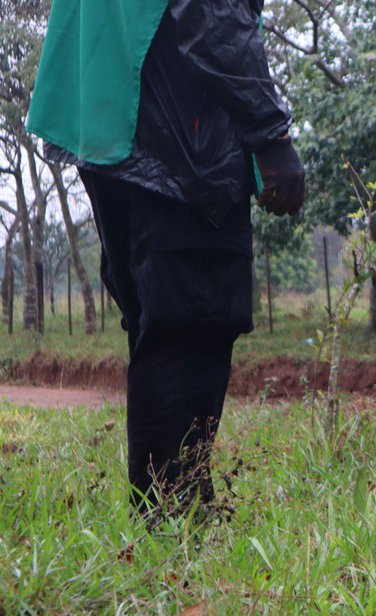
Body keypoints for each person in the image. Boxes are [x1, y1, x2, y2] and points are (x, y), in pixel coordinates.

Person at [26, 0, 305, 515]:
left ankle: (178, 500)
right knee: (190, 320)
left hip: (108, 117)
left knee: (160, 323)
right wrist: (271, 135)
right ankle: (168, 512)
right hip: (178, 134)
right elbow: (212, 16)